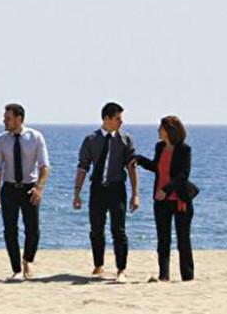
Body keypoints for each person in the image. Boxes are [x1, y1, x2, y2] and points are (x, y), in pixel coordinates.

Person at [73, 102, 140, 282]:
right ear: (106, 119)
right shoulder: (91, 140)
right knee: (96, 229)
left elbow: (132, 168)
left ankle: (121, 269)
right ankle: (98, 265)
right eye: (118, 118)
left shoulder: (125, 140)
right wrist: (77, 193)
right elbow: (82, 167)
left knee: (118, 229)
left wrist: (135, 194)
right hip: (97, 189)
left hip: (117, 188)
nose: (121, 122)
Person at [0, 103, 50, 281]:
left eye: (8, 118)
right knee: (10, 230)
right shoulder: (1, 140)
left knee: (33, 229)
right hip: (9, 188)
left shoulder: (35, 137)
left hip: (29, 187)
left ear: (19, 118)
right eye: (4, 118)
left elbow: (44, 166)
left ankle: (27, 261)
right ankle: (16, 268)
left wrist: (39, 188)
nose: (4, 121)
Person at [132, 115, 196, 282]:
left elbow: (183, 175)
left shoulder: (184, 149)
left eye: (160, 128)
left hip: (180, 200)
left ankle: (187, 277)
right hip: (161, 202)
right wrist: (139, 160)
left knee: (183, 240)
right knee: (163, 239)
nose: (158, 131)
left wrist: (166, 190)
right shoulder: (160, 147)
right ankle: (164, 275)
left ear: (169, 131)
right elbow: (156, 167)